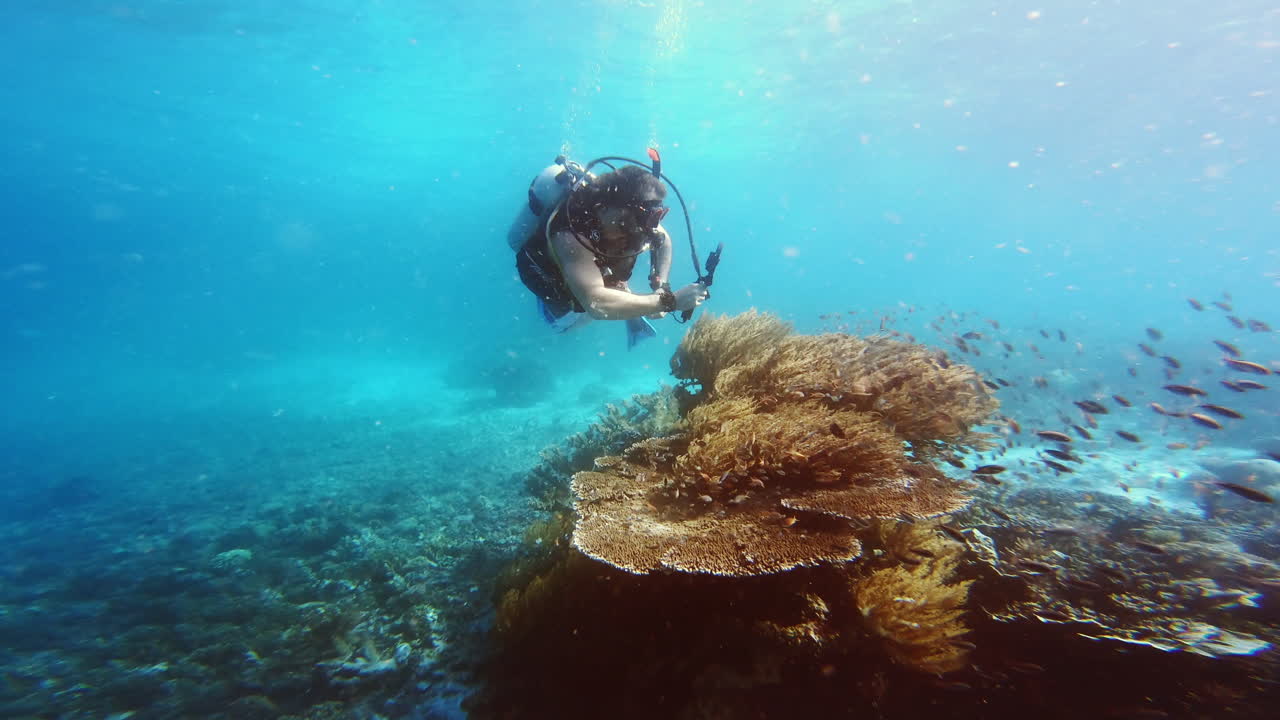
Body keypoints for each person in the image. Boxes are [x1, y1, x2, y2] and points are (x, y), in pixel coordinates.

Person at [516, 165, 709, 346]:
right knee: (571, 320)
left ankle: (616, 293)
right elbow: (596, 304)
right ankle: (607, 292)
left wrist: (661, 287)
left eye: (654, 218)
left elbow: (663, 240)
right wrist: (668, 302)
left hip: (592, 268)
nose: (639, 231)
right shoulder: (570, 234)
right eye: (627, 223)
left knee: (605, 279)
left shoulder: (638, 217)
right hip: (555, 279)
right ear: (605, 207)